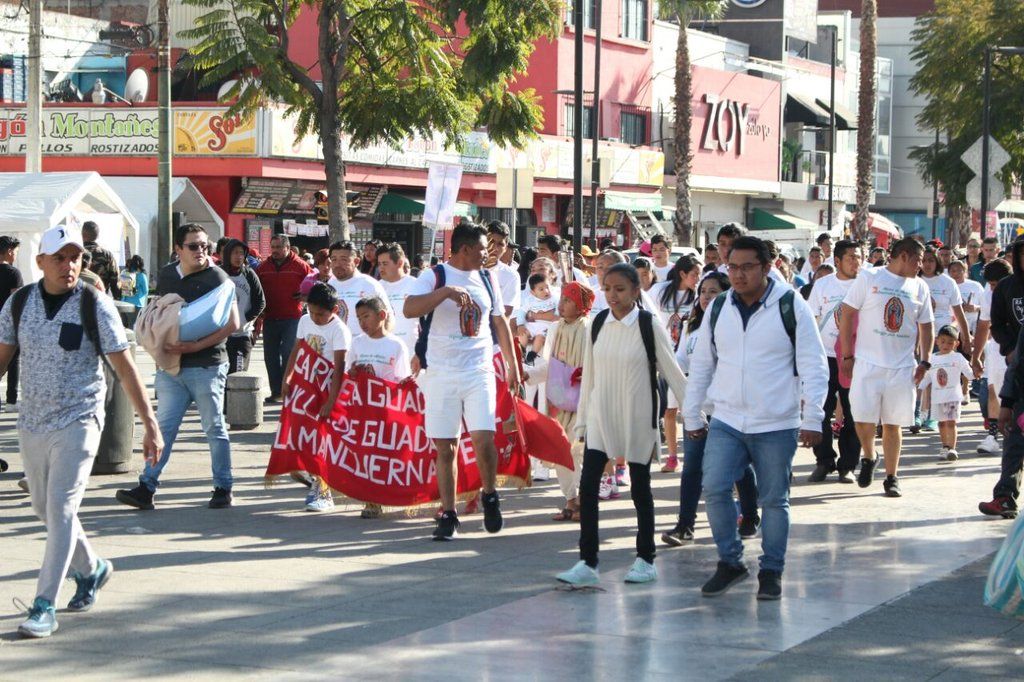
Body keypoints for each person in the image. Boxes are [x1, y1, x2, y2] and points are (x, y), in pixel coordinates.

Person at [0, 224, 162, 638]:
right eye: (59, 257)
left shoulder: (95, 304)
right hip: (32, 421)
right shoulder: (19, 304)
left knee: (61, 509)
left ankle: (43, 605)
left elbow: (125, 369)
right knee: (45, 509)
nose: (68, 265)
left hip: (80, 420)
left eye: (75, 257)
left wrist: (150, 424)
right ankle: (92, 569)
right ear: (39, 262)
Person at [684, 236, 827, 600]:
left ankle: (771, 571)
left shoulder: (790, 305)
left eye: (748, 267)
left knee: (774, 500)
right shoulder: (718, 308)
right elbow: (702, 364)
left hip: (776, 423)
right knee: (714, 487)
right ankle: (730, 562)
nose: (739, 274)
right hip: (727, 420)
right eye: (733, 267)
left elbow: (813, 363)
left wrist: (813, 416)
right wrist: (692, 412)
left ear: (767, 267)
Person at [555, 263, 687, 586]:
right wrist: (583, 422)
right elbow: (591, 378)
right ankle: (587, 562)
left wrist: (695, 414)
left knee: (640, 488)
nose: (612, 296)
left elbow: (672, 372)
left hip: (637, 416)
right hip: (601, 416)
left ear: (636, 291)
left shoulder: (647, 324)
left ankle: (646, 558)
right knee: (588, 487)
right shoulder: (597, 323)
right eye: (608, 289)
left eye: (620, 289)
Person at [404, 222, 520, 540]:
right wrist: (445, 293)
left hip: (477, 370)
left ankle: (490, 494)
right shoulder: (435, 275)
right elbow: (409, 308)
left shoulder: (487, 277)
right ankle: (449, 513)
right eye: (484, 248)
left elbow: (500, 321)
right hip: (441, 372)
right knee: (446, 447)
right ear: (466, 249)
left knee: (484, 440)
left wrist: (512, 366)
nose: (490, 253)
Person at [116, 224, 240, 511]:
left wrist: (195, 346)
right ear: (178, 249)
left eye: (205, 246)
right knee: (164, 428)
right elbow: (161, 310)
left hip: (207, 365)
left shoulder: (218, 277)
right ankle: (146, 487)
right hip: (171, 367)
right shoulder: (169, 273)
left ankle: (223, 487)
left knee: (214, 427)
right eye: (194, 246)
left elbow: (233, 323)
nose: (201, 252)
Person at [661, 272, 759, 547]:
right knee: (692, 468)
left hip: (729, 409)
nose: (706, 297)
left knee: (738, 466)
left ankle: (750, 516)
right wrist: (687, 399)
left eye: (713, 292)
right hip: (698, 410)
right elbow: (679, 362)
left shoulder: (735, 325)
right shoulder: (692, 326)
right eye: (703, 291)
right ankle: (685, 525)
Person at [839, 237, 934, 498]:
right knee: (862, 419)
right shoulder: (869, 278)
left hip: (902, 367)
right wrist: (847, 355)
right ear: (903, 256)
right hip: (867, 364)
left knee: (893, 424)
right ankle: (869, 455)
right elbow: (847, 313)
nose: (921, 266)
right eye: (918, 260)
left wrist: (925, 360)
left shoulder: (920, 288)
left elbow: (927, 325)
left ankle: (892, 477)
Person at [282, 282, 351, 512]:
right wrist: (287, 377)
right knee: (301, 436)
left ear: (334, 311)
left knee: (321, 442)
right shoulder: (305, 321)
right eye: (310, 311)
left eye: (320, 314)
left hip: (327, 389)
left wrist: (331, 402)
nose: (314, 317)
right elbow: (296, 349)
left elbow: (340, 370)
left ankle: (324, 491)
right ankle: (313, 478)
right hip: (305, 387)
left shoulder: (339, 330)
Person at [530, 281, 593, 522]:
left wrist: (586, 373)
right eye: (562, 299)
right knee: (561, 451)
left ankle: (584, 503)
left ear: (581, 306)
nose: (561, 304)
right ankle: (570, 500)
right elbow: (547, 363)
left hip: (583, 402)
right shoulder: (555, 329)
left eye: (568, 300)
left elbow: (597, 365)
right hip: (557, 401)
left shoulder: (589, 329)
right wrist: (529, 374)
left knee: (580, 452)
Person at [349, 295, 412, 519]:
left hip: (386, 410)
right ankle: (371, 500)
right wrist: (355, 373)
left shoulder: (396, 345)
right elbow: (350, 373)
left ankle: (389, 493)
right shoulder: (357, 343)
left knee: (384, 455)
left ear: (382, 316)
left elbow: (402, 380)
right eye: (358, 318)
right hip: (363, 410)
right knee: (366, 454)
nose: (362, 322)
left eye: (366, 316)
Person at [806, 239, 862, 483]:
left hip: (857, 359)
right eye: (851, 257)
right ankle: (824, 460)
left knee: (853, 412)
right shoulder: (823, 285)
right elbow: (811, 319)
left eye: (859, 256)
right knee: (821, 411)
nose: (856, 262)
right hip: (825, 356)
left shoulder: (867, 283)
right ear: (837, 261)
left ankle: (847, 465)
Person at [649, 255, 700, 473]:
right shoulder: (660, 291)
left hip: (689, 358)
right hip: (667, 357)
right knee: (669, 411)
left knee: (690, 410)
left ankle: (692, 455)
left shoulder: (698, 295)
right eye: (694, 274)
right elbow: (647, 312)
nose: (698, 279)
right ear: (682, 274)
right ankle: (671, 456)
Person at [256, 234, 313, 402]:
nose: (275, 250)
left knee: (288, 353)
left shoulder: (301, 266)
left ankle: (289, 390)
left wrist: (305, 296)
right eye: (273, 247)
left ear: (288, 248)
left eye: (278, 247)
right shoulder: (263, 268)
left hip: (292, 318)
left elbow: (314, 288)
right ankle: (276, 392)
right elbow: (255, 290)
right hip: (270, 318)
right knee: (270, 356)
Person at [972, 259, 1014, 456]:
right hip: (997, 348)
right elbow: (983, 324)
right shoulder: (988, 294)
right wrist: (976, 356)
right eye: (990, 284)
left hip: (1018, 347)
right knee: (994, 390)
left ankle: (1014, 434)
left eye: (995, 284)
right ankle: (993, 436)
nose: (992, 288)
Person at [917, 324, 973, 462]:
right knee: (941, 423)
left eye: (950, 342)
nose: (946, 345)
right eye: (942, 341)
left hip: (952, 397)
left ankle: (952, 449)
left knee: (951, 422)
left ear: (956, 343)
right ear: (937, 341)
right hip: (937, 398)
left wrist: (975, 374)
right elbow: (928, 377)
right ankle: (945, 447)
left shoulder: (958, 357)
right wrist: (918, 385)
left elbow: (968, 372)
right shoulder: (932, 359)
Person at [327, 241, 393, 337]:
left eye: (344, 260)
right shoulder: (330, 284)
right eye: (334, 259)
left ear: (356, 262)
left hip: (364, 349)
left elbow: (388, 317)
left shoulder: (369, 285)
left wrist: (379, 342)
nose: (337, 264)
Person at [220, 239, 266, 375]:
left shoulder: (249, 274)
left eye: (241, 253)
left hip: (243, 334)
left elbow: (260, 302)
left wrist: (245, 319)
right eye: (235, 253)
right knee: (222, 376)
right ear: (228, 254)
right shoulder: (218, 274)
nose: (238, 256)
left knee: (238, 375)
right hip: (221, 336)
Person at [377, 243, 421, 362]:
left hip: (410, 354)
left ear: (400, 263)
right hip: (383, 354)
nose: (381, 268)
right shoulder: (376, 287)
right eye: (379, 264)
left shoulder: (417, 285)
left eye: (385, 264)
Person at [0, 235, 22, 412]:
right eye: (15, 252)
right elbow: (17, 301)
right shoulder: (13, 273)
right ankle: (11, 400)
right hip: (7, 323)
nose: (15, 255)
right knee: (13, 360)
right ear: (8, 252)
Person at [485, 221, 522, 317]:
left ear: (505, 248)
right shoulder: (468, 269)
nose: (495, 248)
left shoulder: (511, 276)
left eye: (500, 244)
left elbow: (505, 314)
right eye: (491, 242)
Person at [516, 273, 557, 359]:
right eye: (541, 289)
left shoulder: (554, 298)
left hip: (546, 325)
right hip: (533, 324)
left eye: (547, 287)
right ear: (533, 292)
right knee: (523, 333)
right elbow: (521, 311)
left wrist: (555, 317)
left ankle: (532, 354)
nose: (546, 291)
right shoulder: (529, 300)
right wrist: (520, 324)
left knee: (540, 337)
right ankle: (521, 350)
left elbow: (558, 311)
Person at [81, 221, 120, 296]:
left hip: (76, 301)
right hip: (100, 299)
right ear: (98, 236)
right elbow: (115, 281)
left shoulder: (76, 253)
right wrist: (117, 298)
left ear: (82, 235)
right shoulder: (107, 255)